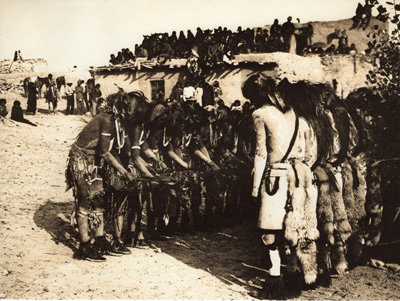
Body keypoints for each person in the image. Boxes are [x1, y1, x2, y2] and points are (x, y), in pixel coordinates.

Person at [242, 74, 318, 299]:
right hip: (299, 175)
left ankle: (275, 277)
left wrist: (255, 187)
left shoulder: (260, 114)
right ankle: (294, 273)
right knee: (294, 227)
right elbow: (306, 153)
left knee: (270, 231)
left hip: (275, 177)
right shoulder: (293, 113)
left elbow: (260, 153)